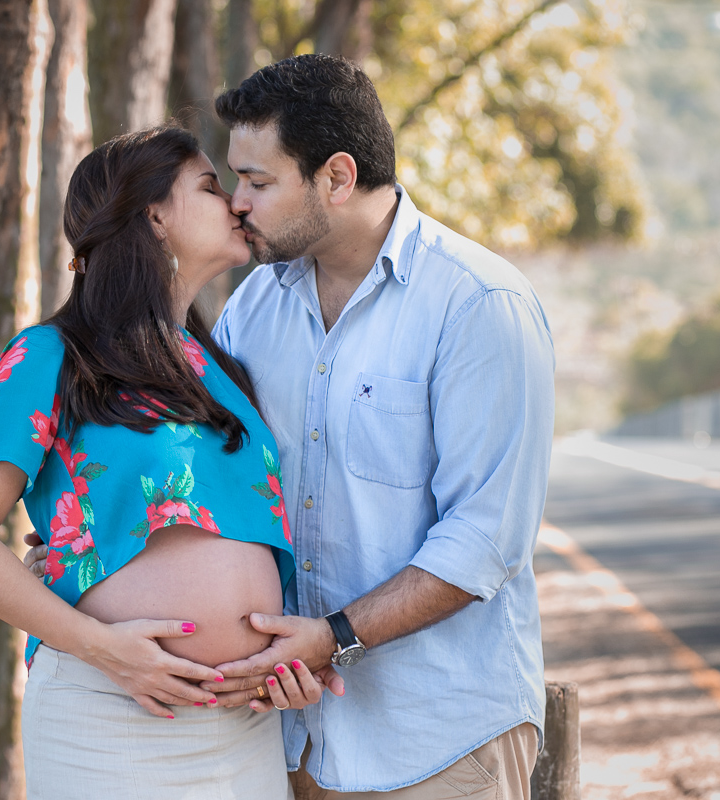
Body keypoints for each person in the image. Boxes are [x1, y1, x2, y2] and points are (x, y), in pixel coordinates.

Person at [0, 126, 331, 800]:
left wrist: (283, 659)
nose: (235, 203)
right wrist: (101, 646)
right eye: (209, 186)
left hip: (243, 729)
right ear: (153, 216)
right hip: (110, 719)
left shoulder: (222, 368)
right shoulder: (54, 355)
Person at [198, 54, 557, 799]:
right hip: (287, 739)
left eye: (258, 182)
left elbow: (487, 537)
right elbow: (216, 480)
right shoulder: (251, 310)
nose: (237, 203)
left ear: (336, 176)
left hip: (440, 741)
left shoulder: (479, 304)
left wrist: (334, 636)